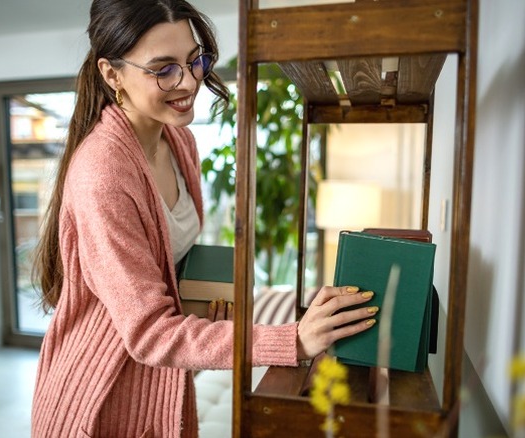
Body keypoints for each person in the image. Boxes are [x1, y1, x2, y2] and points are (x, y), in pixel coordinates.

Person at [31, 1, 378, 436]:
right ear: (112, 74)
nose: (189, 81)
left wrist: (203, 302)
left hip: (162, 383)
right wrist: (292, 339)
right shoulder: (102, 173)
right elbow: (150, 333)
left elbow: (164, 267)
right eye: (163, 69)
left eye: (194, 60)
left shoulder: (179, 141)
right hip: (101, 400)